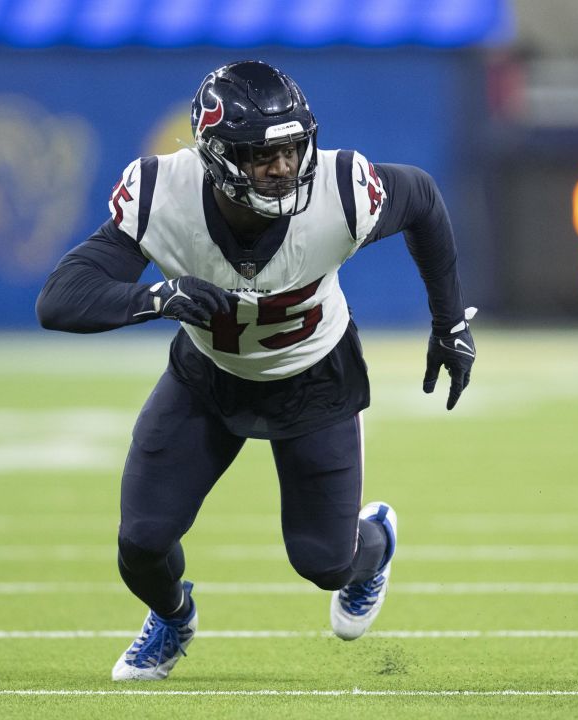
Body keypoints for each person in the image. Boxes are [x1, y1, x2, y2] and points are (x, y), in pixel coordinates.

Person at [36, 60, 477, 681]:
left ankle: (374, 543)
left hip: (314, 377)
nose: (283, 167)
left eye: (294, 149)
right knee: (140, 544)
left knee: (325, 562)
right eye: (259, 155)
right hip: (208, 375)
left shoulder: (341, 190)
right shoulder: (165, 194)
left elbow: (424, 200)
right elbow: (60, 298)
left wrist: (449, 323)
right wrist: (154, 298)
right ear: (215, 155)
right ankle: (173, 616)